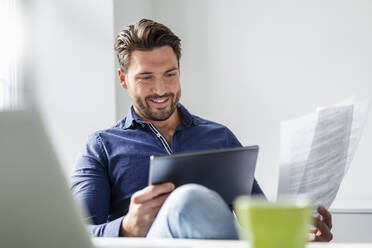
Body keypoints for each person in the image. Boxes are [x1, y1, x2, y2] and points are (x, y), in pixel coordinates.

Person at [71, 19, 333, 241]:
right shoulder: (101, 146)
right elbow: (74, 236)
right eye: (146, 77)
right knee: (186, 200)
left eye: (170, 74)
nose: (161, 89)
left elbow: (258, 220)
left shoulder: (219, 136)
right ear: (123, 79)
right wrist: (127, 228)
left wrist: (299, 232)